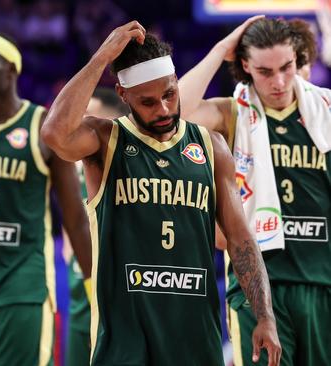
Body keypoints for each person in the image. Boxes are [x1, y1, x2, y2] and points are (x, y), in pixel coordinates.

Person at [41, 21, 281, 365]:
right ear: (123, 96)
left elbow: (241, 238)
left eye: (170, 94)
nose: (164, 109)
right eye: (148, 102)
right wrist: (102, 57)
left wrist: (265, 316)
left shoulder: (210, 146)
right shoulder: (105, 139)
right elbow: (55, 134)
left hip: (194, 331)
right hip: (125, 337)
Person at [179, 16, 331, 366]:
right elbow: (178, 113)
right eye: (265, 71)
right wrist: (220, 50)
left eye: (286, 67)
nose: (278, 82)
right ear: (245, 65)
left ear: (298, 59)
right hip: (257, 289)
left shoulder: (323, 109)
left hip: (321, 280)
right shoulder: (232, 114)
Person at [0, 32, 92, 366]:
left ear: (11, 71)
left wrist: (94, 287)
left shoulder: (42, 127)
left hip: (23, 287)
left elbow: (74, 217)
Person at [64, 86, 128, 366]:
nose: (80, 124)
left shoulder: (132, 169)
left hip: (122, 299)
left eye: (88, 116)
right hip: (82, 297)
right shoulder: (76, 171)